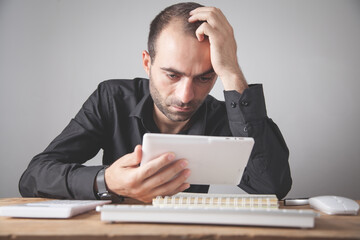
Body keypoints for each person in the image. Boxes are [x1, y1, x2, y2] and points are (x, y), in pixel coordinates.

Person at [19, 2, 292, 202]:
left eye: (204, 78)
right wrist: (106, 180)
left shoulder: (223, 117)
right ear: (147, 63)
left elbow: (272, 186)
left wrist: (232, 72)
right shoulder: (112, 99)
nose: (186, 96)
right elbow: (34, 176)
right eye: (172, 75)